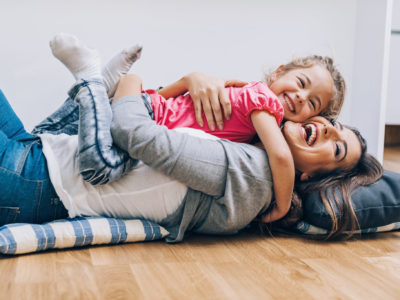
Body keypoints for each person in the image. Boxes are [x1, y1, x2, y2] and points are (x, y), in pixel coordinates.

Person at [0, 36, 381, 241]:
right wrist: (189, 81)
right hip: (39, 150)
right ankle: (101, 82)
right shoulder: (253, 129)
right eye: (330, 122)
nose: (325, 124)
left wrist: (132, 84)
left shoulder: (256, 172)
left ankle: (95, 80)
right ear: (280, 72)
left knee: (103, 153)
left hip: (35, 180)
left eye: (337, 145)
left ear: (313, 178)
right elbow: (171, 112)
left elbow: (133, 129)